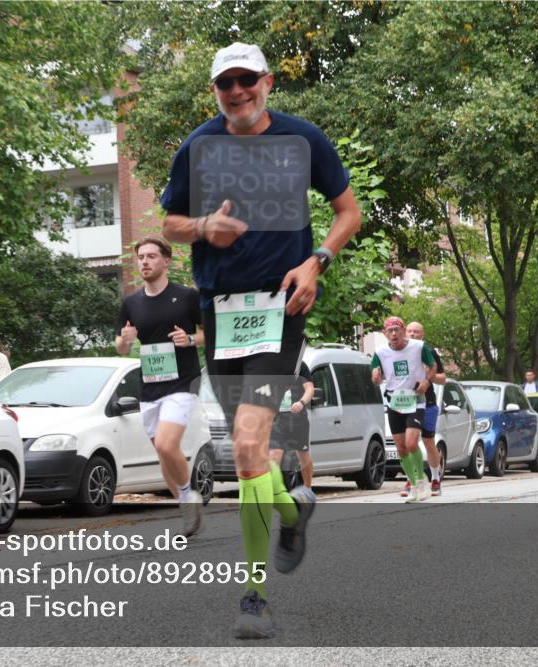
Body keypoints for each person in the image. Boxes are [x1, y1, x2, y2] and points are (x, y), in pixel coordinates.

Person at [159, 42, 361, 638]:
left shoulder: (302, 140)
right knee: (250, 457)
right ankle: (294, 508)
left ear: (268, 82)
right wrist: (203, 226)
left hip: (280, 307)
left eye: (247, 79)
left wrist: (316, 262)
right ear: (215, 91)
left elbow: (348, 212)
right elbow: (169, 223)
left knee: (248, 445)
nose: (238, 91)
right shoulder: (198, 147)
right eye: (226, 83)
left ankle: (254, 597)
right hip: (221, 314)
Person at [115, 236, 206, 536]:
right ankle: (186, 502)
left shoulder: (187, 296)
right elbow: (120, 347)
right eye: (141, 257)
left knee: (167, 444)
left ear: (166, 261)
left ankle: (187, 496)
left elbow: (212, 333)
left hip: (183, 382)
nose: (144, 261)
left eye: (151, 256)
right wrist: (125, 341)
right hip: (150, 386)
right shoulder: (131, 303)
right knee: (163, 452)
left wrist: (190, 339)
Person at [371, 316, 436, 503]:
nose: (393, 334)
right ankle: (413, 485)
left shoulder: (418, 347)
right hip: (395, 401)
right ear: (384, 334)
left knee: (411, 443)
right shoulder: (380, 352)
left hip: (415, 399)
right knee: (401, 448)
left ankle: (422, 481)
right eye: (389, 331)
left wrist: (426, 382)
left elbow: (433, 367)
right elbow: (376, 378)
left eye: (396, 330)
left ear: (403, 331)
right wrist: (376, 377)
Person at [406, 321, 447, 497]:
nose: (412, 334)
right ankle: (412, 479)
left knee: (428, 441)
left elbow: (443, 379)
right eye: (410, 331)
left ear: (422, 335)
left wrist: (429, 375)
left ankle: (435, 478)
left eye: (416, 332)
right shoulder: (399, 353)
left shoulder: (429, 352)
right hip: (407, 403)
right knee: (410, 442)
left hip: (427, 402)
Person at [269, 361, 316, 489]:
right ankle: (275, 491)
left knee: (303, 455)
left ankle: (308, 488)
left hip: (297, 418)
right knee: (274, 454)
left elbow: (310, 389)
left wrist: (301, 403)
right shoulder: (270, 364)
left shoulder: (299, 365)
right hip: (277, 418)